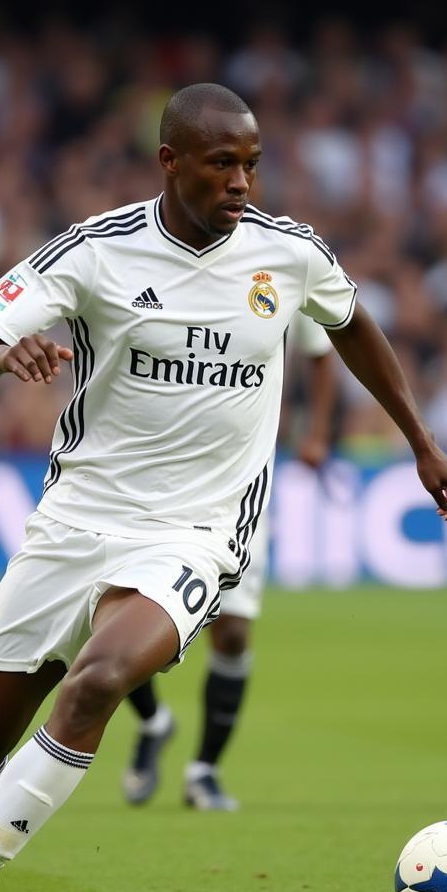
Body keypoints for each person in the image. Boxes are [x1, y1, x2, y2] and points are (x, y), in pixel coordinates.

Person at [0, 82, 447, 892]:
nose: (243, 182)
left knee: (99, 681)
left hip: (198, 529)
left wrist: (421, 441)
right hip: (77, 518)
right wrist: (5, 355)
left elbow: (352, 327)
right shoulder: (95, 251)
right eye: (223, 163)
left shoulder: (290, 254)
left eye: (253, 165)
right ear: (171, 162)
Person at [122, 311, 336, 810]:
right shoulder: (159, 262)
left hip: (239, 491)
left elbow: (322, 355)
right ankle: (154, 721)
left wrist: (317, 433)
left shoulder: (279, 266)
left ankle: (204, 772)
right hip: (152, 483)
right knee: (122, 619)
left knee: (234, 632)